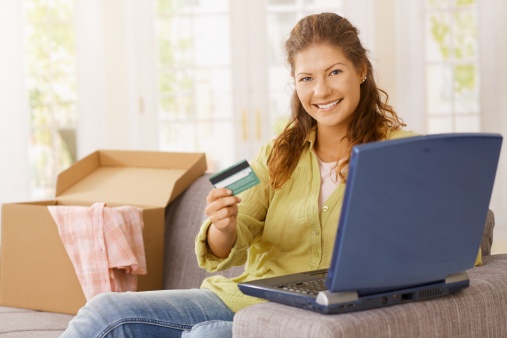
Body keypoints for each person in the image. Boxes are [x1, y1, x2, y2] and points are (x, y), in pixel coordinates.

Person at [61, 12, 416, 337]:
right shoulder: (276, 153)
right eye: (306, 78)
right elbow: (227, 243)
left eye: (335, 72)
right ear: (295, 83)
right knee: (105, 311)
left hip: (322, 315)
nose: (321, 91)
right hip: (246, 297)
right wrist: (224, 225)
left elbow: (437, 245)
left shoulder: (403, 153)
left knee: (207, 336)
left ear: (362, 69)